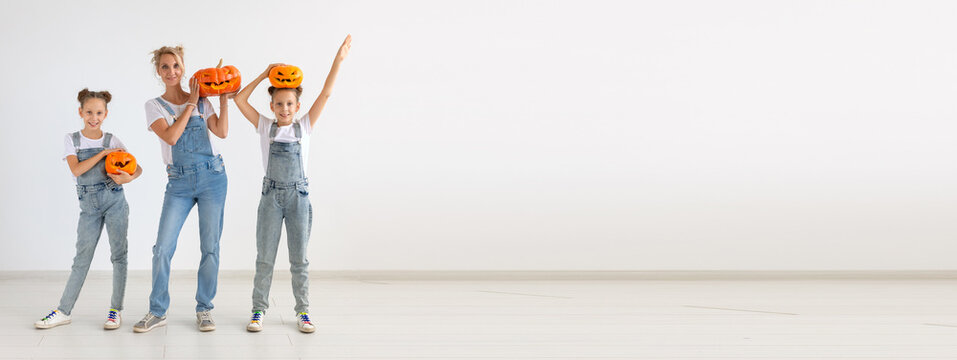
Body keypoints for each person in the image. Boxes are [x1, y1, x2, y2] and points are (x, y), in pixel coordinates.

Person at [232, 35, 351, 333]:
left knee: (300, 259)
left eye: (290, 104)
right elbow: (238, 99)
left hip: (298, 197)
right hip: (270, 197)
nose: (284, 109)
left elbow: (325, 94)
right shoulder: (264, 126)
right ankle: (258, 309)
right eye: (279, 104)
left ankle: (303, 311)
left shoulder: (305, 127)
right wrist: (263, 74)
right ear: (271, 105)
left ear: (297, 105)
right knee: (265, 258)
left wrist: (338, 60)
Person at [133, 45, 231, 333]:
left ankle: (205, 309)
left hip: (213, 177)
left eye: (175, 65)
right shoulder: (154, 106)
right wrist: (191, 102)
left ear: (183, 68)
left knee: (210, 247)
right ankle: (157, 310)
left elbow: (222, 132)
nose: (171, 71)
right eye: (165, 67)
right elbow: (172, 137)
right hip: (179, 182)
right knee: (163, 247)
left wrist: (223, 99)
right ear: (158, 72)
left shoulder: (204, 102)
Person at [35, 89, 143, 330]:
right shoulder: (72, 140)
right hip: (89, 207)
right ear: (80, 112)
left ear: (106, 115)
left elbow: (137, 169)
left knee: (119, 256)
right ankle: (64, 310)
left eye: (99, 113)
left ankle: (115, 310)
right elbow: (76, 170)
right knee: (81, 259)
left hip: (115, 201)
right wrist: (103, 155)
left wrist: (128, 178)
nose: (94, 117)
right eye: (89, 112)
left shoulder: (113, 140)